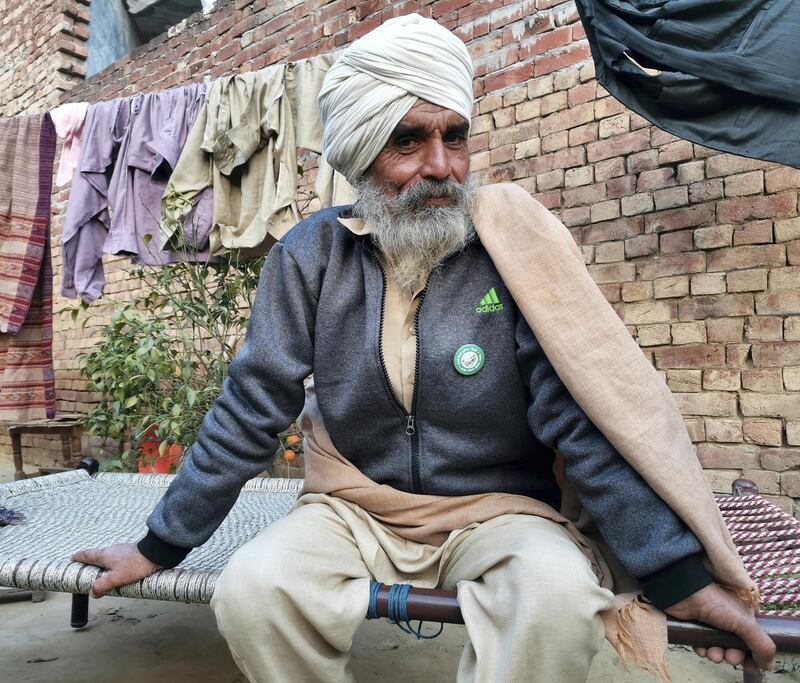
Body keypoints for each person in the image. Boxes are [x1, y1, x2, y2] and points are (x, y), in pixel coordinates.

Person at [73, 14, 775, 683]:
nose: (440, 166)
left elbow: (580, 415)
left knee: (558, 595)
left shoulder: (506, 250)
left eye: (455, 137)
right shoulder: (310, 255)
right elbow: (252, 407)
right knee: (255, 589)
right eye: (408, 141)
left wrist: (676, 576)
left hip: (500, 510)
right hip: (354, 506)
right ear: (361, 149)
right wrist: (159, 545)